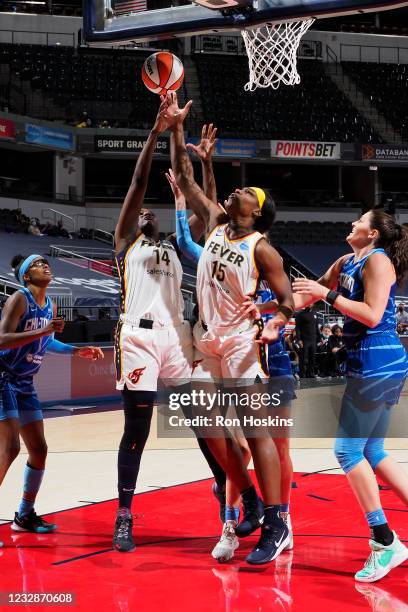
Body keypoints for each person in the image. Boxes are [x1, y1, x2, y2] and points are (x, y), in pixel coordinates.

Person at [168, 92, 295, 565]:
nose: (241, 190)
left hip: (242, 345)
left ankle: (277, 521)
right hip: (207, 342)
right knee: (204, 421)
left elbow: (287, 300)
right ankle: (251, 499)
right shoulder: (218, 223)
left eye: (249, 191)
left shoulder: (264, 250)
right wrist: (177, 127)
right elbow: (183, 177)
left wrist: (272, 317)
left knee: (256, 432)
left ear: (256, 210)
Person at [112, 99, 226, 553]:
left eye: (147, 213)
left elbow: (213, 210)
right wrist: (157, 131)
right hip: (138, 337)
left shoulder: (178, 245)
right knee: (137, 428)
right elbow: (139, 182)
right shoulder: (125, 242)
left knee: (203, 421)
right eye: (139, 214)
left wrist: (206, 163)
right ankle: (124, 515)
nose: (143, 213)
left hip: (177, 336)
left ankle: (228, 496)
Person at [288, 210, 408, 582]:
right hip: (367, 361)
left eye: (359, 221)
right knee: (372, 451)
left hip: (378, 356)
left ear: (371, 233)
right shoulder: (346, 261)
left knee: (347, 451)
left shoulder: (379, 260)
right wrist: (267, 311)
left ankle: (384, 540)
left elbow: (372, 315)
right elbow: (306, 295)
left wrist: (329, 294)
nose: (352, 223)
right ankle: (387, 539)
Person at [0, 254, 103, 542]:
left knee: (39, 450)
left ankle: (24, 514)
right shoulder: (19, 299)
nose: (45, 265)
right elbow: (2, 339)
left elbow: (46, 341)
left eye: (46, 263)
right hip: (3, 376)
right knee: (9, 449)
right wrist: (43, 330)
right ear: (25, 276)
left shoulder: (51, 305)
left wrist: (74, 350)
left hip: (25, 382)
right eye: (36, 264)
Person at [294, 306, 318, 378]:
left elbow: (316, 327)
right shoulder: (300, 314)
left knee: (312, 358)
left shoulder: (314, 313)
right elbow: (297, 328)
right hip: (304, 340)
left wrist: (320, 338)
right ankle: (302, 374)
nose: (311, 303)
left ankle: (311, 373)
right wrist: (299, 339)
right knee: (303, 358)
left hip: (313, 340)